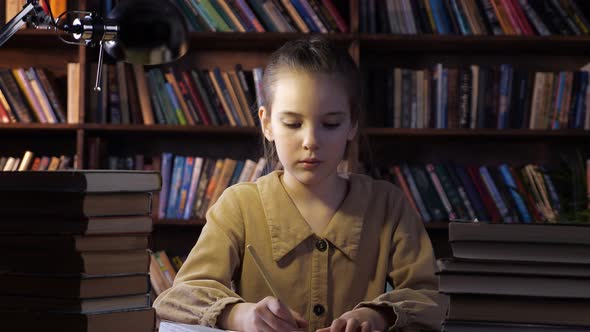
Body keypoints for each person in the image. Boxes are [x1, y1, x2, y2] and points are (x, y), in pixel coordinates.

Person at [153, 36, 447, 332]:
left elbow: (431, 300)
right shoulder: (239, 206)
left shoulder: (387, 206)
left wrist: (378, 316)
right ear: (267, 123)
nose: (311, 142)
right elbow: (176, 301)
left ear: (352, 123)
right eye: (292, 124)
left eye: (330, 124)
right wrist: (240, 315)